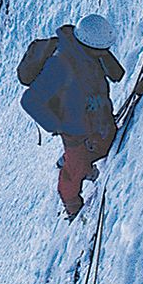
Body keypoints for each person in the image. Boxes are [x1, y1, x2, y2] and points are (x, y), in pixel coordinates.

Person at [17, 14, 125, 217]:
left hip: (97, 119)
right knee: (73, 171)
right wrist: (58, 126)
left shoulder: (88, 52)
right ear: (91, 46)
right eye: (102, 50)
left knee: (103, 146)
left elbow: (115, 74)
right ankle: (72, 207)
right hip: (75, 129)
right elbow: (29, 100)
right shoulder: (60, 65)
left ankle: (81, 165)